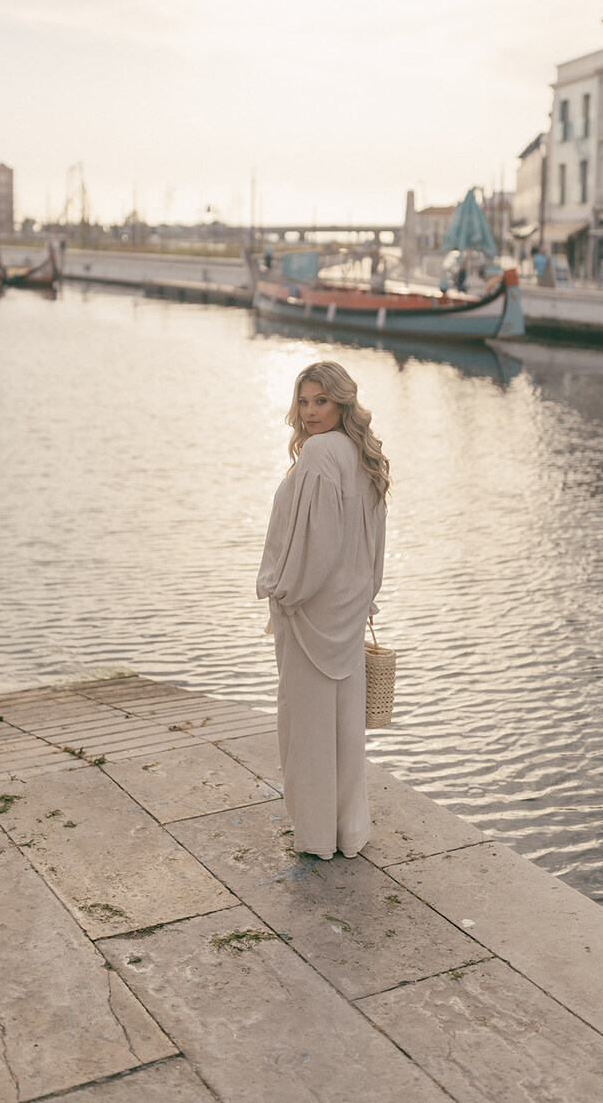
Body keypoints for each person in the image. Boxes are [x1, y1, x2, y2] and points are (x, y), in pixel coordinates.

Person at [257, 361, 389, 860]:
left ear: (342, 404)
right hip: (349, 609)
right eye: (304, 400)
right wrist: (365, 594)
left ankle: (315, 837)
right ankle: (349, 832)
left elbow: (317, 544)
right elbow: (373, 543)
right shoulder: (363, 454)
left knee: (307, 729)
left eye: (321, 401)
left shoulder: (318, 453)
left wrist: (283, 589)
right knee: (344, 732)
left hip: (312, 610)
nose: (310, 412)